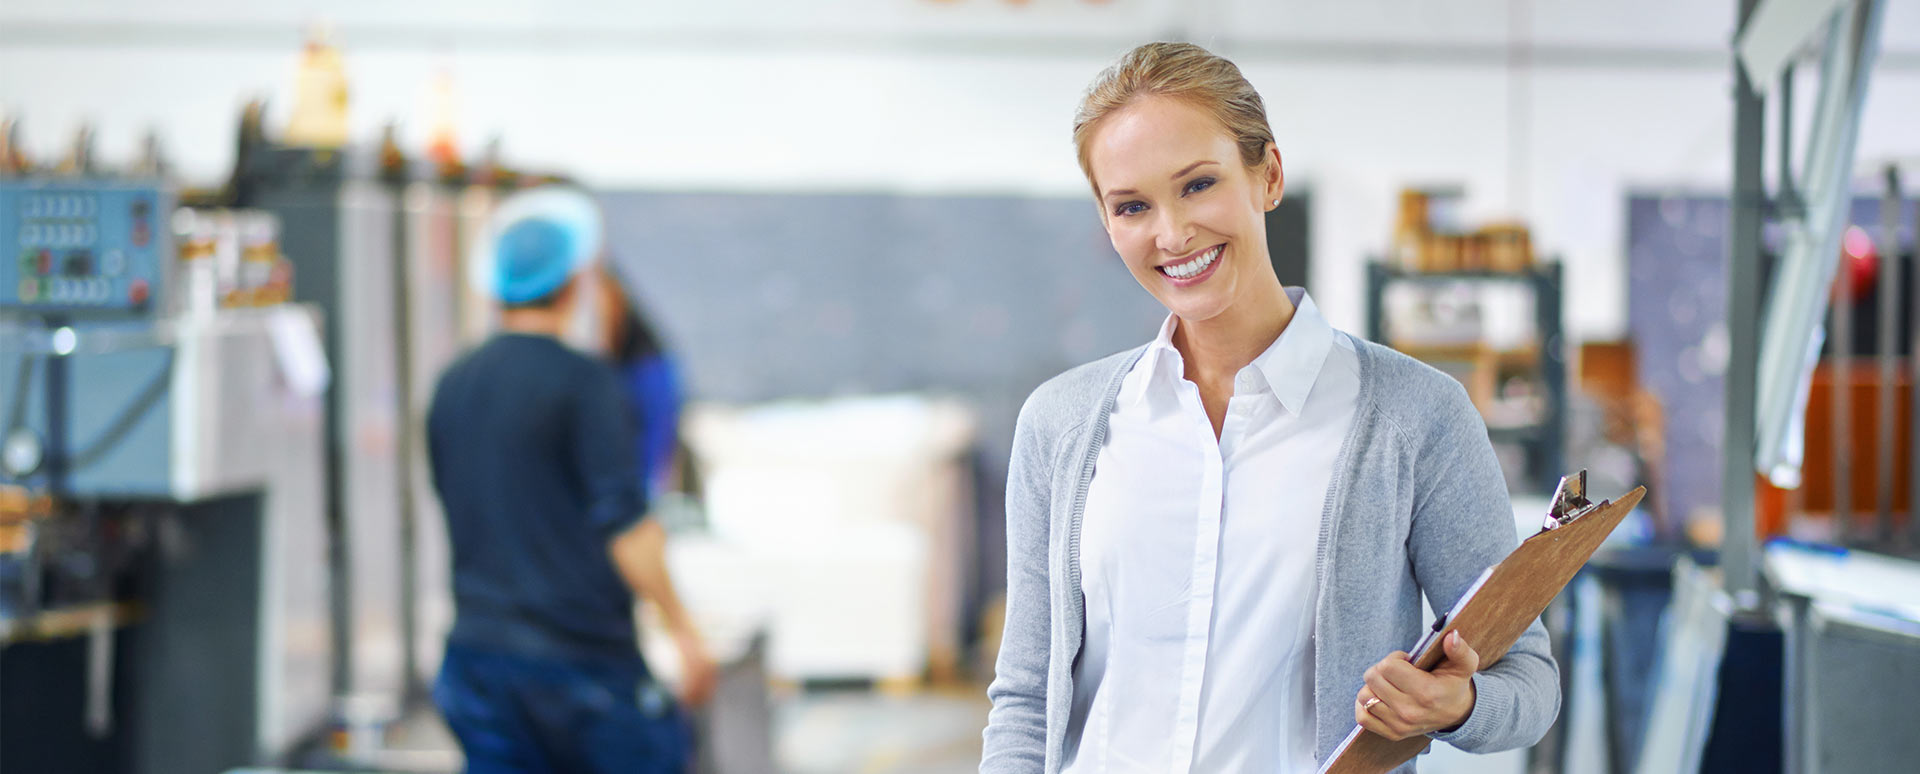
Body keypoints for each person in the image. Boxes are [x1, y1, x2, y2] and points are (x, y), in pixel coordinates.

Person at [980, 43, 1559, 773]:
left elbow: (1530, 685)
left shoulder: (1416, 417)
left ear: (1269, 175)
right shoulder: (1059, 425)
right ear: (1107, 222)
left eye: (1197, 185)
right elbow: (1027, 700)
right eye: (1133, 206)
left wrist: (1461, 706)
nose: (1171, 233)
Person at [428, 186, 716, 774]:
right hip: (580, 668)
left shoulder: (452, 384)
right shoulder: (585, 384)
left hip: (478, 661)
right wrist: (684, 632)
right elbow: (628, 527)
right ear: (577, 281)